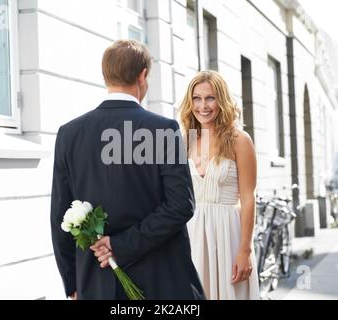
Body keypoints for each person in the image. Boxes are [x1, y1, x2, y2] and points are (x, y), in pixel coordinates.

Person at [50, 39, 205, 300]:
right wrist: (119, 246)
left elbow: (60, 217)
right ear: (142, 75)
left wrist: (73, 283)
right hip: (160, 279)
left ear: (105, 75)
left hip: (94, 281)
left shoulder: (69, 134)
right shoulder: (162, 129)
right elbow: (181, 205)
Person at [179, 70, 260, 300]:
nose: (203, 105)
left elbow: (248, 198)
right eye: (197, 98)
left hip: (228, 234)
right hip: (192, 235)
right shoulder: (185, 140)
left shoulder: (239, 140)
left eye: (210, 98)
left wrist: (245, 249)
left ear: (221, 100)